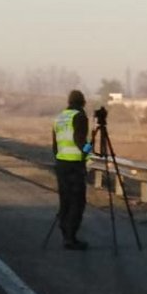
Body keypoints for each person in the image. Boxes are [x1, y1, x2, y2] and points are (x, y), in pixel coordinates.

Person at [52, 90, 91, 250]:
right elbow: (80, 141)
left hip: (61, 164)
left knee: (65, 199)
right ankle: (71, 237)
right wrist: (89, 148)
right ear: (83, 103)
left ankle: (64, 231)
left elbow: (55, 146)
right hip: (75, 164)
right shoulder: (79, 116)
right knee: (77, 201)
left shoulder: (60, 118)